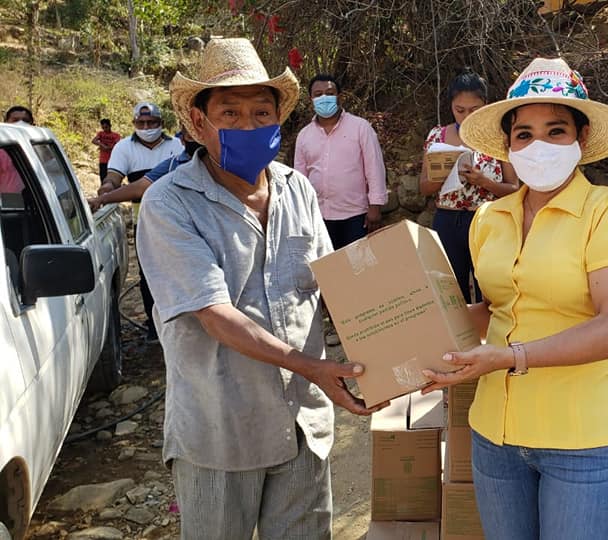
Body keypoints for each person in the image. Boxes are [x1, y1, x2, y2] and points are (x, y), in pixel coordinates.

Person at [137, 38, 386, 540]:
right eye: (230, 112)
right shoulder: (169, 204)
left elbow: (333, 281)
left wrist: (413, 323)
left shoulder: (297, 188)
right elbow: (215, 316)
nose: (248, 125)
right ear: (198, 121)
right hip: (221, 431)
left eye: (261, 112)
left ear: (278, 120)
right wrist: (312, 367)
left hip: (303, 423)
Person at [422, 57, 608, 539]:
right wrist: (423, 331)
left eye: (555, 130)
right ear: (508, 145)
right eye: (523, 134)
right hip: (495, 433)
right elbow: (499, 307)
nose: (538, 145)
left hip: (582, 440)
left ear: (581, 139)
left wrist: (509, 357)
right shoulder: (490, 218)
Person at [419, 68, 520, 303]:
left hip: (486, 220)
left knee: (489, 287)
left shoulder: (499, 137)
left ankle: (492, 337)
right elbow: (424, 188)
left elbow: (514, 187)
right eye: (459, 110)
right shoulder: (437, 136)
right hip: (447, 221)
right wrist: (443, 174)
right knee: (452, 290)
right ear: (451, 107)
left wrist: (482, 182)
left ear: (485, 105)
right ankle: (461, 339)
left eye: (474, 110)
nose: (466, 116)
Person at [99, 101, 183, 343]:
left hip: (177, 217)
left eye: (152, 123)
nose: (146, 127)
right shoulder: (124, 147)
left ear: (161, 124)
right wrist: (107, 187)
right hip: (143, 219)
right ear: (134, 124)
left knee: (178, 269)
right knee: (149, 273)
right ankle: (155, 326)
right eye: (141, 123)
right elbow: (114, 176)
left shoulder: (176, 146)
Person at [294, 74, 388, 246]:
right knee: (325, 268)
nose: (324, 98)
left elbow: (374, 167)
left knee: (356, 267)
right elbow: (300, 178)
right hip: (318, 215)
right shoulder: (304, 136)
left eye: (329, 92)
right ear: (311, 99)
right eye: (318, 94)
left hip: (355, 215)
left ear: (339, 97)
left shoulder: (360, 128)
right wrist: (301, 211)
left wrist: (375, 206)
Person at [86, 129, 201, 212]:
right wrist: (101, 199)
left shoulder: (215, 162)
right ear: (182, 139)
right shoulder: (173, 164)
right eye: (190, 136)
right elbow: (140, 187)